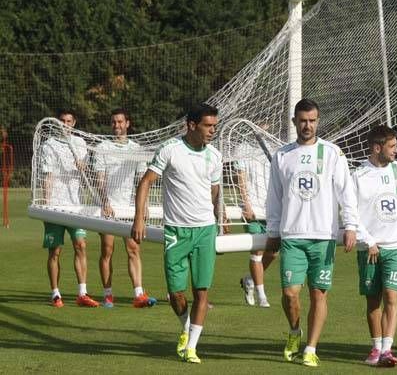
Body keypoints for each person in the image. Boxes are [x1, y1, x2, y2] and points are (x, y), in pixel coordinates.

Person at [265, 98, 358, 368]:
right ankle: (295, 332)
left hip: (323, 237)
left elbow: (346, 191)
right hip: (292, 236)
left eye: (313, 120)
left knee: (319, 293)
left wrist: (350, 225)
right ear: (294, 121)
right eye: (303, 120)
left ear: (318, 121)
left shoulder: (332, 153)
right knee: (290, 294)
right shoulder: (282, 155)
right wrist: (273, 230)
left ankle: (311, 348)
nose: (308, 125)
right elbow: (274, 197)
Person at [132, 104, 222, 364]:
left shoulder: (214, 156)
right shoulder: (170, 150)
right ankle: (185, 326)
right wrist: (140, 218)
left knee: (202, 291)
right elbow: (146, 182)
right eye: (207, 125)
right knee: (175, 293)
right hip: (176, 230)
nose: (212, 131)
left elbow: (214, 191)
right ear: (191, 125)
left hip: (205, 229)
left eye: (214, 126)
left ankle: (191, 347)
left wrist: (218, 217)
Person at [352, 125, 397, 368]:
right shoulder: (358, 176)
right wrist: (368, 241)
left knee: (392, 295)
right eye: (392, 147)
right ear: (377, 148)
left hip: (396, 247)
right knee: (372, 301)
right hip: (369, 249)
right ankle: (376, 347)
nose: (396, 151)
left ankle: (388, 349)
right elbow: (351, 213)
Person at [94, 108, 156, 308]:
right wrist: (105, 202)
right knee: (107, 250)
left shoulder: (136, 149)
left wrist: (143, 205)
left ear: (127, 123)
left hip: (128, 208)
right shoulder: (102, 147)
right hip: (107, 208)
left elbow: (142, 179)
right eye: (113, 122)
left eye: (120, 122)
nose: (117, 126)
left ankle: (139, 294)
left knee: (133, 248)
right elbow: (100, 179)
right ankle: (108, 294)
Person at [42, 109, 99, 307]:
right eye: (62, 121)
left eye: (69, 121)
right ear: (57, 124)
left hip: (75, 206)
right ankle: (55, 293)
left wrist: (82, 165)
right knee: (55, 251)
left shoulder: (80, 143)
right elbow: (47, 175)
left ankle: (82, 293)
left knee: (81, 245)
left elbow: (86, 172)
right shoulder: (49, 145)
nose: (65, 124)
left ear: (73, 123)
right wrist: (47, 204)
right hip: (56, 207)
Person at [235, 125, 277, 308]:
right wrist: (246, 203)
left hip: (272, 210)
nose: (263, 126)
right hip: (252, 209)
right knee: (257, 251)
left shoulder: (274, 147)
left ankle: (250, 280)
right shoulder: (242, 148)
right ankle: (261, 295)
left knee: (273, 253)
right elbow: (240, 178)